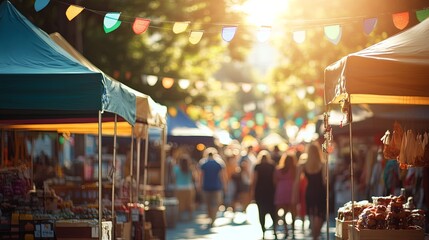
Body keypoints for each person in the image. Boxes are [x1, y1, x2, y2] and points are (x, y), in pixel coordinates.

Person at [293, 142, 326, 240]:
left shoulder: (303, 165)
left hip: (309, 191)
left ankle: (314, 235)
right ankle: (317, 234)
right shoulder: (323, 164)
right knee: (320, 213)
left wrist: (294, 195)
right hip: (320, 191)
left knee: (311, 213)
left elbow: (296, 182)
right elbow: (325, 181)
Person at [252, 150, 277, 239]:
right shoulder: (272, 166)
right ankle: (274, 230)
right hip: (271, 192)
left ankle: (263, 231)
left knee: (261, 212)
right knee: (273, 212)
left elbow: (254, 180)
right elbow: (274, 180)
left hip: (260, 192)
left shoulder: (257, 166)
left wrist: (252, 192)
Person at [198, 148, 227, 228]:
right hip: (216, 187)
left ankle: (211, 217)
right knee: (215, 203)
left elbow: (200, 176)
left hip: (206, 186)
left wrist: (199, 185)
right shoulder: (219, 163)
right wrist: (225, 186)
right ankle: (213, 218)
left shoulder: (203, 163)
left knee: (208, 203)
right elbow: (222, 176)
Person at [274, 152, 297, 238]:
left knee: (282, 213)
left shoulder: (279, 169)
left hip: (281, 191)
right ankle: (293, 229)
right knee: (292, 212)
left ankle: (286, 229)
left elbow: (275, 181)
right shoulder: (294, 169)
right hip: (291, 191)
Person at [173, 155, 196, 221]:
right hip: (189, 188)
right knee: (189, 203)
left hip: (179, 188)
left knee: (180, 203)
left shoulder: (176, 168)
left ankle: (179, 217)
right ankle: (190, 216)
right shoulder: (190, 169)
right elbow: (194, 178)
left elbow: (174, 178)